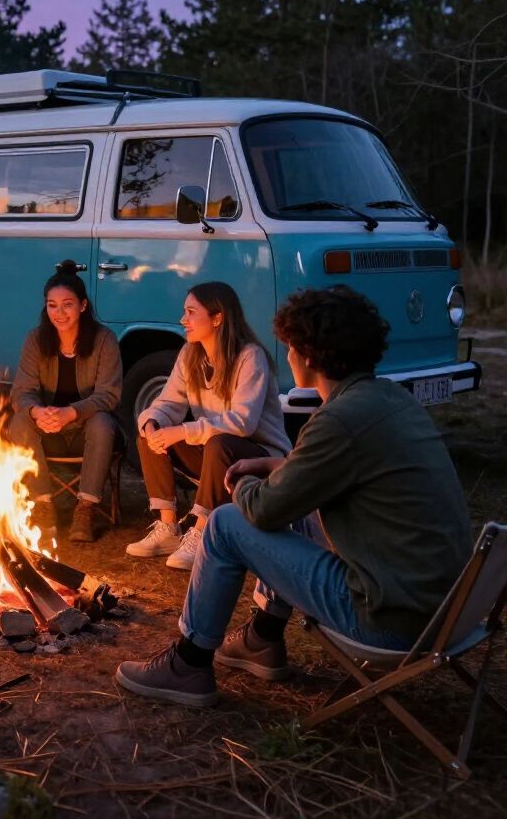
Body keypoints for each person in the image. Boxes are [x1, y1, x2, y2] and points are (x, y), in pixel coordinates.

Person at [115, 285, 472, 707]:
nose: (285, 356)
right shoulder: (391, 400)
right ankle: (263, 638)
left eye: (289, 347)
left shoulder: (338, 420)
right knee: (299, 510)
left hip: (387, 620)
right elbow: (338, 472)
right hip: (449, 609)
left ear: (307, 356)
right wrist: (278, 465)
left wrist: (240, 482)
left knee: (227, 523)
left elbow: (263, 510)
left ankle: (189, 663)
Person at [126, 281, 290, 568]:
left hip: (261, 456)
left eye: (191, 312)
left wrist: (183, 430)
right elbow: (168, 403)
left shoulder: (250, 356)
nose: (183, 320)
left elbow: (242, 423)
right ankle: (168, 527)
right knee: (151, 437)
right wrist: (152, 423)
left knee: (218, 442)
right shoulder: (190, 355)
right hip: (217, 456)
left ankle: (203, 531)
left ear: (217, 318)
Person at [8, 261, 123, 543]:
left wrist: (71, 412)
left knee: (102, 422)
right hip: (49, 431)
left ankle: (85, 509)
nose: (59, 313)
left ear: (83, 306)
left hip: (87, 430)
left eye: (67, 305)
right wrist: (38, 411)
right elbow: (21, 391)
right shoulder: (36, 339)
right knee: (20, 420)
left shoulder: (104, 340)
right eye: (52, 305)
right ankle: (43, 505)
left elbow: (108, 394)